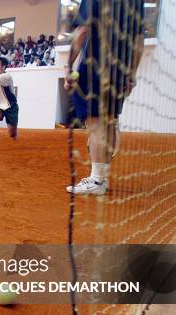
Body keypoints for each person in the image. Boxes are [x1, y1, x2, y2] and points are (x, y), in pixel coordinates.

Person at [65, 0, 145, 195]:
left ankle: (97, 180)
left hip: (95, 68)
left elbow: (82, 31)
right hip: (119, 71)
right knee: (108, 122)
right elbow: (139, 41)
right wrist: (131, 75)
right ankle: (102, 177)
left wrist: (69, 66)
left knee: (96, 124)